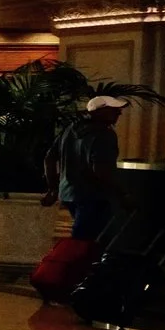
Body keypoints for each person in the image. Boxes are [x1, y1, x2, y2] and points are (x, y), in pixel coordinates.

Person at [45, 94, 131, 245]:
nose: (119, 113)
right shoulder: (104, 134)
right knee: (87, 241)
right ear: (98, 112)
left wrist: (53, 188)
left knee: (81, 236)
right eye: (113, 109)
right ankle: (78, 267)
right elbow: (101, 170)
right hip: (93, 195)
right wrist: (122, 194)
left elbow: (49, 158)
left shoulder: (70, 129)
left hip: (68, 193)